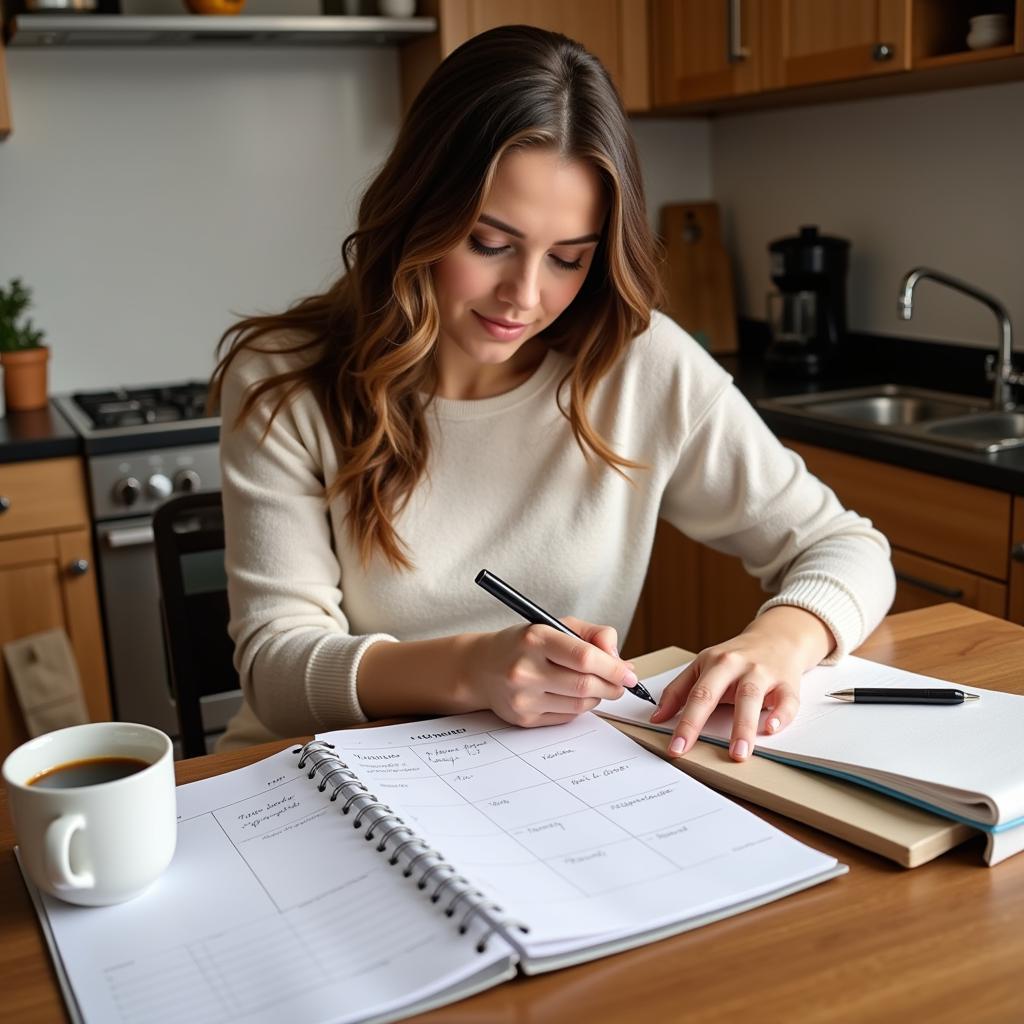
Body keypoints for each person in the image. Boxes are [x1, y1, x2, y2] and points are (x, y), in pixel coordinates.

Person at [210, 25, 895, 761]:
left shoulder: (640, 364)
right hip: (313, 776)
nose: (525, 297)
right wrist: (469, 669)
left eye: (568, 259)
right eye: (488, 243)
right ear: (418, 213)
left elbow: (845, 546)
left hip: (542, 780)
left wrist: (778, 641)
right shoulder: (285, 380)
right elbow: (276, 670)